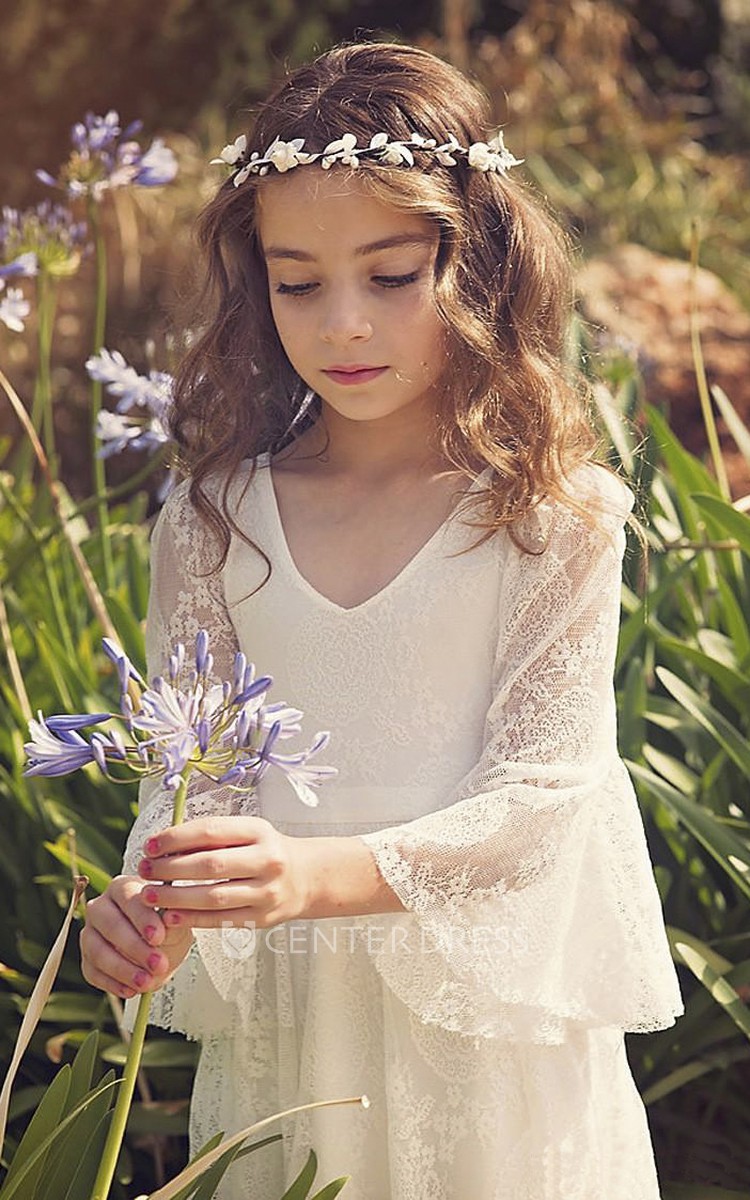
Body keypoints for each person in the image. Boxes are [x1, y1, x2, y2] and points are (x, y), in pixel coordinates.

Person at [80, 41, 684, 1200]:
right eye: (297, 281)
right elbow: (194, 780)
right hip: (299, 1045)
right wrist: (154, 906)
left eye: (393, 275)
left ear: (483, 263)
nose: (343, 323)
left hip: (493, 1047)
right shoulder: (215, 522)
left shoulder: (552, 516)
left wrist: (314, 875)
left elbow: (544, 800)